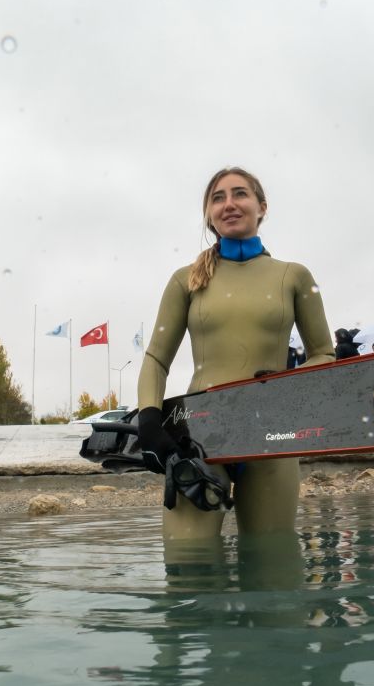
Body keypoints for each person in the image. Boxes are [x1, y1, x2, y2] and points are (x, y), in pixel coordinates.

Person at [136, 167, 335, 544]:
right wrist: (149, 418)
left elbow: (324, 355)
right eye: (218, 197)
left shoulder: (294, 276)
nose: (229, 204)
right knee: (187, 563)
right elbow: (157, 359)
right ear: (209, 214)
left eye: (240, 194)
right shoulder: (186, 279)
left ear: (262, 207)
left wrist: (282, 385)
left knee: (272, 563)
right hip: (198, 436)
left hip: (273, 435)